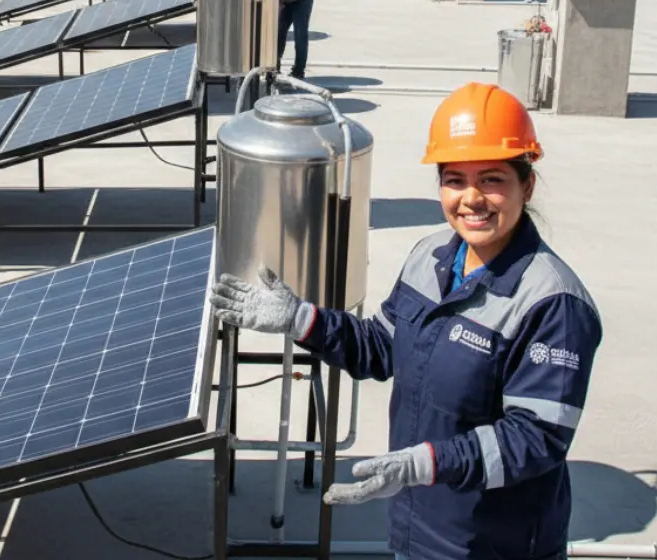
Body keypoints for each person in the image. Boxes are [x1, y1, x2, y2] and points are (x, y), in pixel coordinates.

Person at [211, 82, 602, 560]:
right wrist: (301, 319)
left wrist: (427, 462)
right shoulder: (430, 257)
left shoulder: (552, 302)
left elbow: (536, 438)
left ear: (528, 184)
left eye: (492, 179)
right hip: (417, 530)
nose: (472, 198)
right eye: (455, 179)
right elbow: (383, 345)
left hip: (494, 546)